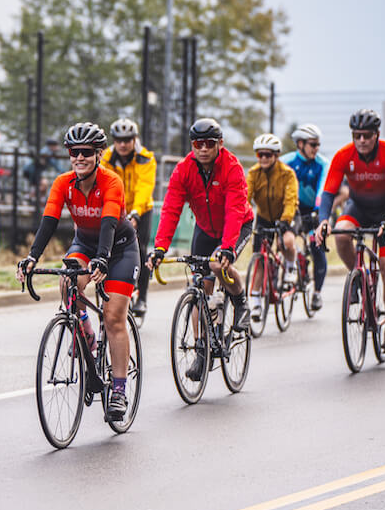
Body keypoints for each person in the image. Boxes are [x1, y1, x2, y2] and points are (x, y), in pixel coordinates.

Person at [15, 122, 138, 422]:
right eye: (74, 152)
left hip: (119, 247)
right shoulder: (63, 182)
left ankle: (119, 389)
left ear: (98, 154)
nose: (79, 158)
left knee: (113, 316)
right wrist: (31, 257)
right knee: (67, 284)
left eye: (85, 152)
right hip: (84, 241)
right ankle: (85, 333)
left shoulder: (111, 182)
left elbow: (109, 223)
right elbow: (49, 222)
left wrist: (103, 260)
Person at [148, 118, 253, 379]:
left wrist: (228, 247)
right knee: (199, 287)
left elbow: (235, 209)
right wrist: (160, 248)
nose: (203, 149)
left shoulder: (232, 168)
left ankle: (240, 302)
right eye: (198, 144)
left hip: (237, 225)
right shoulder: (183, 170)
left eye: (209, 144)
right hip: (206, 229)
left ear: (220, 144)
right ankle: (201, 350)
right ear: (192, 145)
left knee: (218, 265)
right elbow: (171, 209)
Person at [314, 109, 385, 353]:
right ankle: (357, 276)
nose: (362, 140)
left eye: (366, 135)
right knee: (341, 233)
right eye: (357, 135)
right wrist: (323, 221)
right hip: (359, 208)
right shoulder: (344, 155)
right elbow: (329, 192)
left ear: (376, 135)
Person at [101, 117, 156, 317]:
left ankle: (142, 298)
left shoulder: (145, 158)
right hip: (115, 209)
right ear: (114, 141)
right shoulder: (105, 158)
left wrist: (136, 213)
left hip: (140, 209)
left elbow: (144, 187)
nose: (123, 144)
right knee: (106, 248)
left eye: (127, 140)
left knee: (140, 249)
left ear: (135, 139)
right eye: (119, 140)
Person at [246, 133, 299, 319]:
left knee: (287, 242)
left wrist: (285, 220)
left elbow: (291, 199)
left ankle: (291, 267)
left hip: (286, 214)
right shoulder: (253, 174)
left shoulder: (287, 173)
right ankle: (256, 303)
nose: (264, 159)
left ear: (276, 156)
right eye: (260, 155)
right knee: (260, 259)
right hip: (264, 217)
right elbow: (245, 197)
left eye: (268, 155)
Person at [283, 123, 329, 310]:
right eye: (312, 144)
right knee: (284, 240)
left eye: (318, 145)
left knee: (316, 245)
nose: (316, 149)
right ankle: (292, 265)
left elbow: (323, 188)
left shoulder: (322, 163)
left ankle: (317, 292)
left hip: (313, 209)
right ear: (300, 144)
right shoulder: (286, 161)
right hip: (293, 208)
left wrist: (319, 209)